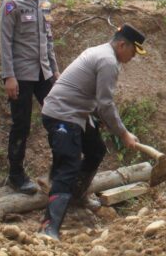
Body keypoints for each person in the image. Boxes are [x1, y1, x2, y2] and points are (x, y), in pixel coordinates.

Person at [39, 24, 147, 240]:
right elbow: (106, 104)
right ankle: (48, 228)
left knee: (95, 149)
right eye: (133, 51)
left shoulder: (101, 52)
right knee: (67, 167)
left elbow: (96, 100)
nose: (134, 56)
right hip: (62, 114)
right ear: (122, 44)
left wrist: (100, 118)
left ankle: (77, 196)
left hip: (78, 113)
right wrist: (124, 134)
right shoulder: (108, 61)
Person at [0, 0, 59, 194]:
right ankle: (16, 175)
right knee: (21, 125)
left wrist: (55, 69)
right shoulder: (11, 4)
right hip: (21, 75)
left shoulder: (45, 4)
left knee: (57, 118)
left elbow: (49, 38)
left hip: (44, 73)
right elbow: (5, 42)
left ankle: (59, 169)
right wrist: (8, 76)